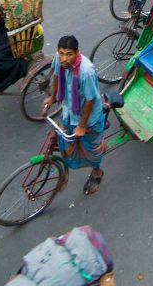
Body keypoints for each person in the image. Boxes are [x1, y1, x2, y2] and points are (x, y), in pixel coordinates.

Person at [42, 36, 106, 196]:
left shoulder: (86, 71)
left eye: (68, 54)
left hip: (88, 118)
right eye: (61, 53)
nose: (64, 58)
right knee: (65, 141)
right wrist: (52, 96)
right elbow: (57, 75)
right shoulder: (60, 60)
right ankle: (66, 167)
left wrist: (82, 125)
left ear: (77, 53)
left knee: (92, 151)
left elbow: (90, 99)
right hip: (69, 110)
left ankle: (97, 172)